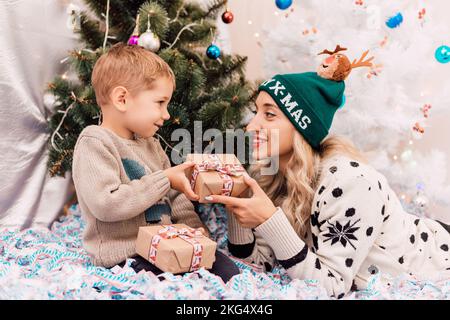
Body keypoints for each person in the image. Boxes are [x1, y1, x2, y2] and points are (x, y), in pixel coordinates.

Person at [204, 47, 450, 297]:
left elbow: (331, 287)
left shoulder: (351, 182)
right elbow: (258, 266)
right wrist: (235, 200)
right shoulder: (275, 172)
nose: (251, 126)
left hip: (436, 259)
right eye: (256, 112)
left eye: (269, 115)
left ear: (301, 127)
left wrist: (270, 220)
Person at [72, 43, 239, 283]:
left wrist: (194, 230)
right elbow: (106, 205)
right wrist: (164, 178)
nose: (167, 114)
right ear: (121, 99)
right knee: (169, 286)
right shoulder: (95, 142)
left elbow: (177, 197)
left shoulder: (152, 144)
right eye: (160, 103)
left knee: (227, 272)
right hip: (128, 256)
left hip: (169, 247)